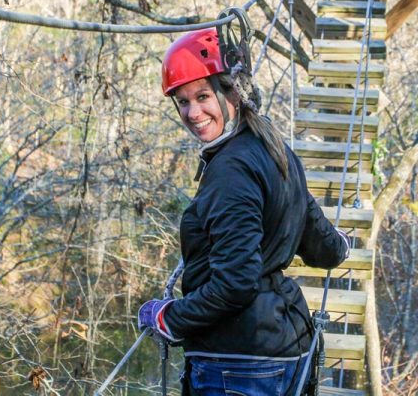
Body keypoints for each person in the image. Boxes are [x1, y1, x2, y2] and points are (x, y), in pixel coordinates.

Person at [138, 28, 350, 396]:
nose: (193, 112)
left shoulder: (231, 170)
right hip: (285, 350)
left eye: (203, 96)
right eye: (183, 101)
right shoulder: (274, 149)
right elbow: (321, 245)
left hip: (238, 363)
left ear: (232, 93)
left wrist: (168, 318)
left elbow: (236, 281)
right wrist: (342, 245)